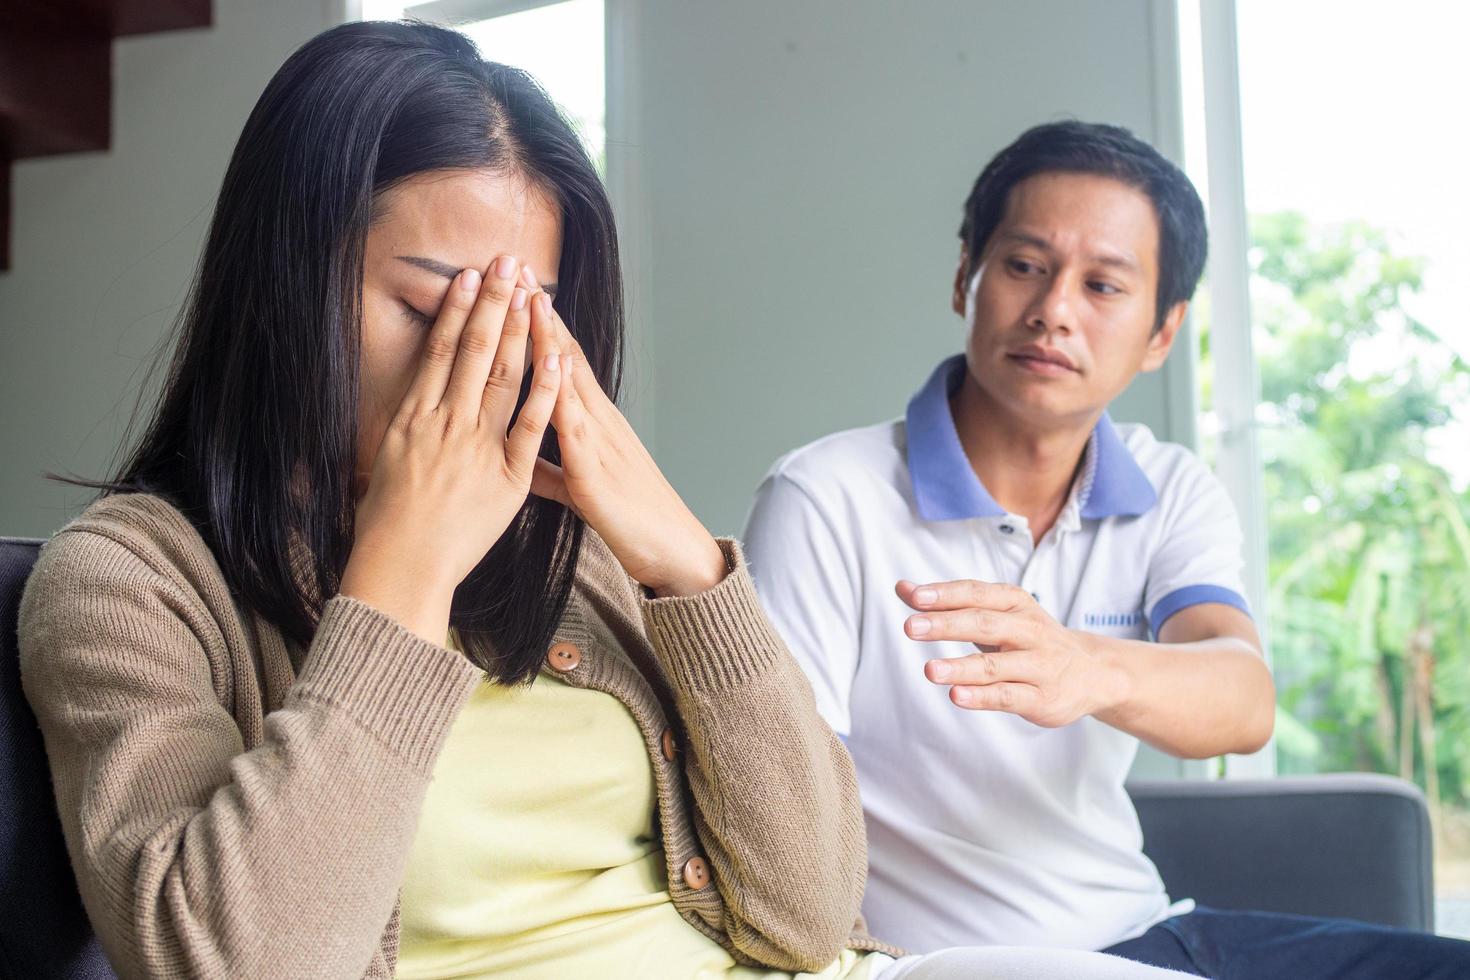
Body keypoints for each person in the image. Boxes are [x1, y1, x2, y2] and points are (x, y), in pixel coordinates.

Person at [16, 23, 1194, 980]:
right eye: (433, 312)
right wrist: (402, 572)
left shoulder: (566, 552)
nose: (481, 365)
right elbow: (246, 962)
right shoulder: (131, 582)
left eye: (524, 319)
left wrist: (687, 565)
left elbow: (807, 913)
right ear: (283, 276)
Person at [742, 120, 1470, 978]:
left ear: (1163, 332)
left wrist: (1088, 668)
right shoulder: (825, 496)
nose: (1054, 310)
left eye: (1103, 285)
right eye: (1023, 266)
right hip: (940, 959)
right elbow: (775, 787)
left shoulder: (1172, 489)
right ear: (963, 278)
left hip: (1147, 934)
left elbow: (1242, 699)